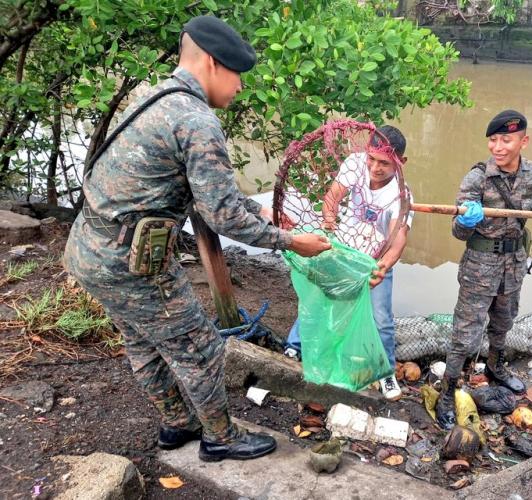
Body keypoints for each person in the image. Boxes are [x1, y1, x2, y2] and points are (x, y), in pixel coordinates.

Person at [63, 15, 331, 462]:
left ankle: (177, 424)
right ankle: (221, 438)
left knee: (144, 343)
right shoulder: (196, 120)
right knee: (201, 349)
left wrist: (257, 208)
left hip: (90, 250)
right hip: (131, 262)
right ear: (211, 63)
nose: (241, 87)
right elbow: (223, 216)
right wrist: (290, 240)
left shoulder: (154, 97)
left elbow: (212, 195)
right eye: (238, 75)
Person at [435, 110, 532, 429]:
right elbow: (458, 231)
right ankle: (447, 390)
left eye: (506, 140)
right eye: (493, 140)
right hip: (480, 265)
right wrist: (466, 219)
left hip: (514, 262)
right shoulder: (477, 177)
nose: (498, 146)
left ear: (524, 141)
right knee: (465, 332)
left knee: (504, 320)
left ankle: (496, 367)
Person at [283, 125, 413, 401]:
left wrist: (383, 266)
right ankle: (295, 346)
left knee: (381, 318)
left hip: (374, 259)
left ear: (401, 163)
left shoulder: (402, 196)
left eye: (385, 163)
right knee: (318, 298)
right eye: (372, 159)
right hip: (344, 248)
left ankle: (385, 371)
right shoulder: (355, 164)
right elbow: (332, 197)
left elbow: (398, 237)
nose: (375, 168)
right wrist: (329, 222)